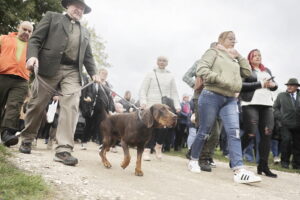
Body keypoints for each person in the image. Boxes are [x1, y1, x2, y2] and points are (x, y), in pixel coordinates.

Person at [18, 0, 101, 167]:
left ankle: (63, 149)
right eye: (76, 6)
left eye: (82, 8)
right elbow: (35, 40)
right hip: (48, 66)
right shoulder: (52, 17)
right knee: (37, 103)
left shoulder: (85, 32)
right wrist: (32, 56)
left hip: (72, 71)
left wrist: (94, 73)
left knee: (71, 104)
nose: (79, 10)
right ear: (67, 6)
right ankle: (27, 138)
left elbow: (88, 56)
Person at [189, 31, 261, 184]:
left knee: (234, 133)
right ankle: (194, 159)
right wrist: (220, 80)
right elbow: (201, 69)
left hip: (230, 99)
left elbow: (248, 72)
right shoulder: (213, 52)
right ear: (221, 40)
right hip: (211, 95)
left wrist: (239, 56)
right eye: (230, 38)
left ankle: (239, 170)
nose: (234, 41)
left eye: (235, 39)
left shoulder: (234, 58)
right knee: (204, 131)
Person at [239, 49, 278, 178]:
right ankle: (236, 156)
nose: (257, 57)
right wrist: (261, 84)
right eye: (254, 55)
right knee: (251, 133)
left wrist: (272, 85)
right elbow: (241, 86)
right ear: (249, 58)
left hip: (267, 105)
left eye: (259, 55)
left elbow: (274, 86)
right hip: (250, 104)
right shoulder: (246, 70)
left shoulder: (266, 70)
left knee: (267, 134)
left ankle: (263, 165)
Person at [182, 43, 221, 171]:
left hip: (217, 100)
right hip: (200, 98)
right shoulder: (200, 62)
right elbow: (186, 76)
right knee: (204, 130)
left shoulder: (223, 65)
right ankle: (202, 159)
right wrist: (196, 86)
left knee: (215, 133)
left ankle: (194, 152)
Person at [139, 56, 180, 160]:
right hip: (151, 105)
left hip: (165, 106)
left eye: (164, 61)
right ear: (157, 62)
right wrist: (143, 102)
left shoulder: (170, 75)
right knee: (150, 127)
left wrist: (177, 105)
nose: (162, 62)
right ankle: (147, 151)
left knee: (164, 128)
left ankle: (158, 147)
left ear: (167, 63)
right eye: (160, 60)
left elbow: (174, 92)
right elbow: (143, 89)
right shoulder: (150, 74)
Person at [0, 21, 33, 147]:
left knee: (14, 107)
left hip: (22, 80)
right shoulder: (3, 39)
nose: (26, 33)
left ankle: (7, 134)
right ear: (18, 28)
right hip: (2, 74)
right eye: (24, 29)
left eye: (30, 31)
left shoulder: (32, 47)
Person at [80, 68, 115, 149]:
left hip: (103, 109)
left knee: (102, 126)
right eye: (103, 73)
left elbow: (110, 98)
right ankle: (84, 142)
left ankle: (101, 143)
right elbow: (88, 91)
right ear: (99, 73)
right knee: (88, 125)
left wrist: (110, 109)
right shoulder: (93, 82)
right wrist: (88, 97)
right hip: (92, 107)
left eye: (106, 74)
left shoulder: (108, 85)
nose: (104, 75)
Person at [273, 78, 300, 169]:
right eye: (288, 85)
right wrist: (281, 118)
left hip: (298, 124)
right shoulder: (281, 95)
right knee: (286, 142)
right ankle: (285, 162)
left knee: (298, 144)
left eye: (291, 85)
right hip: (285, 124)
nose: (289, 87)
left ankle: (296, 164)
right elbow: (275, 108)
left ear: (296, 87)